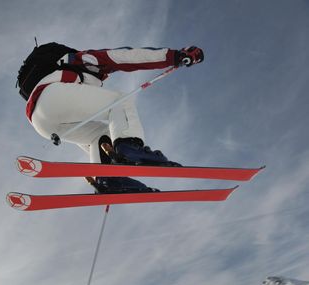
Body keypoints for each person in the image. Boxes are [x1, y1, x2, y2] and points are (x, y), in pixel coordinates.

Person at [17, 44, 204, 193]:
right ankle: (130, 148)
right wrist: (174, 56)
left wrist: (109, 169)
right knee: (119, 101)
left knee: (99, 135)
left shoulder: (57, 77)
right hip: (53, 95)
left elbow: (92, 144)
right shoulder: (80, 59)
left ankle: (107, 179)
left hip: (41, 123)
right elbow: (125, 57)